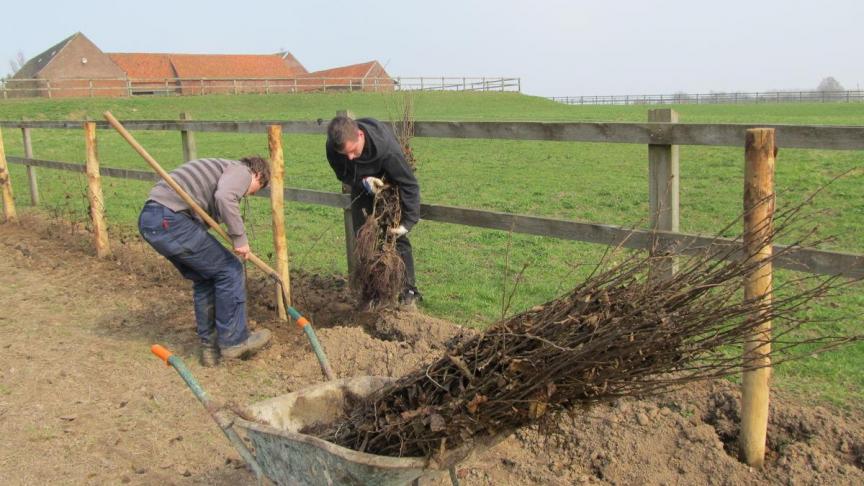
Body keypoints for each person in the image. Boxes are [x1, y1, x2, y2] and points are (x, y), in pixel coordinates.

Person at [138, 156, 273, 366]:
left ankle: (210, 349)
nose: (251, 194)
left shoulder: (221, 172)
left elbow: (214, 204)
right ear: (258, 175)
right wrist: (240, 238)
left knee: (206, 278)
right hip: (169, 218)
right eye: (257, 189)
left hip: (153, 220)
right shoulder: (242, 171)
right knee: (230, 269)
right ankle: (235, 341)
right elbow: (225, 196)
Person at [325, 116, 422, 307]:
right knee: (364, 237)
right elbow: (342, 174)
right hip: (362, 188)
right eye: (346, 155)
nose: (350, 158)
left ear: (360, 135)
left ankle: (408, 290)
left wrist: (408, 222)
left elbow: (409, 184)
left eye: (353, 151)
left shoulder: (386, 149)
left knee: (396, 237)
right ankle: (373, 292)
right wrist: (362, 181)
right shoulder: (333, 148)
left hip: (390, 184)